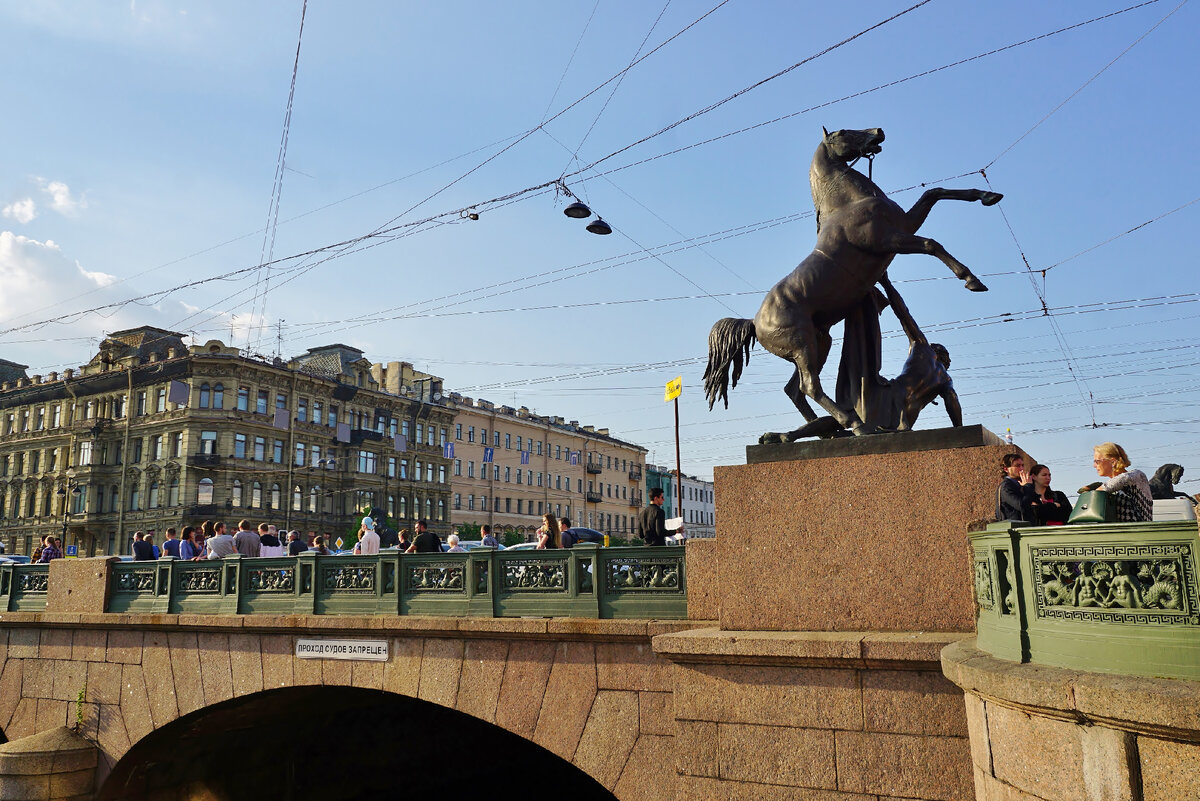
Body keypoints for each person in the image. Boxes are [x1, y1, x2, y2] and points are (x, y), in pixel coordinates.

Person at [1080, 442, 1153, 522]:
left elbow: (1122, 479)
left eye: (1097, 461)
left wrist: (1093, 493)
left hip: (1138, 532)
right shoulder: (1115, 487)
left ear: (1113, 462)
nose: (1094, 465)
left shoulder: (1136, 476)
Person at [995, 453, 1030, 522]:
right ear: (1006, 469)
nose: (1021, 469)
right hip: (1014, 528)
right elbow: (1021, 505)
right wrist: (1027, 486)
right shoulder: (1006, 486)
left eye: (1022, 465)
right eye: (1017, 466)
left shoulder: (1019, 484)